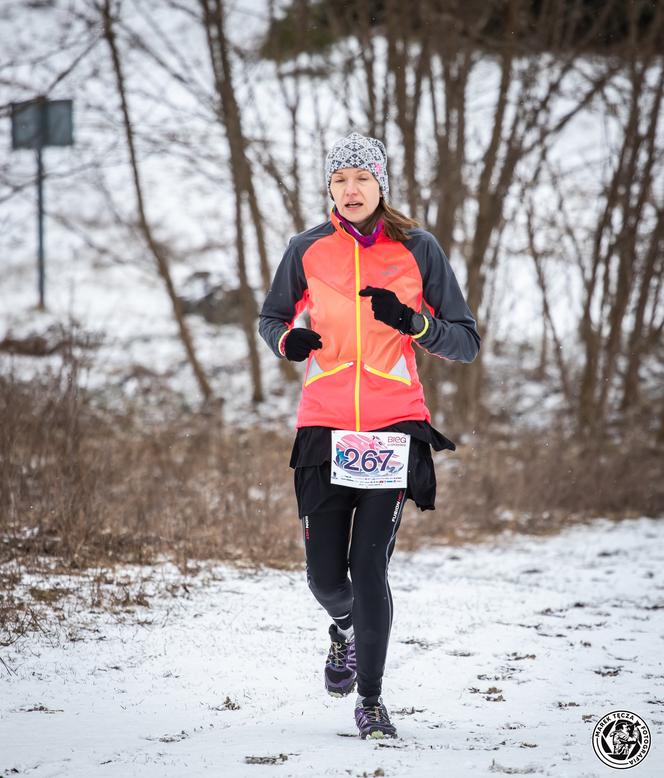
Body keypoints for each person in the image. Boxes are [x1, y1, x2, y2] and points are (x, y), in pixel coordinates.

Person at [258, 131, 480, 739]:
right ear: (329, 189)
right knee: (325, 577)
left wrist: (414, 323)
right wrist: (287, 340)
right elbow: (271, 315)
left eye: (362, 178)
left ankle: (373, 701)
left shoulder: (418, 249)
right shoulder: (307, 249)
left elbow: (465, 339)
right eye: (340, 180)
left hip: (391, 429)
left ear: (381, 186)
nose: (351, 190)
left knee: (370, 569)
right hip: (324, 426)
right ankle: (346, 630)